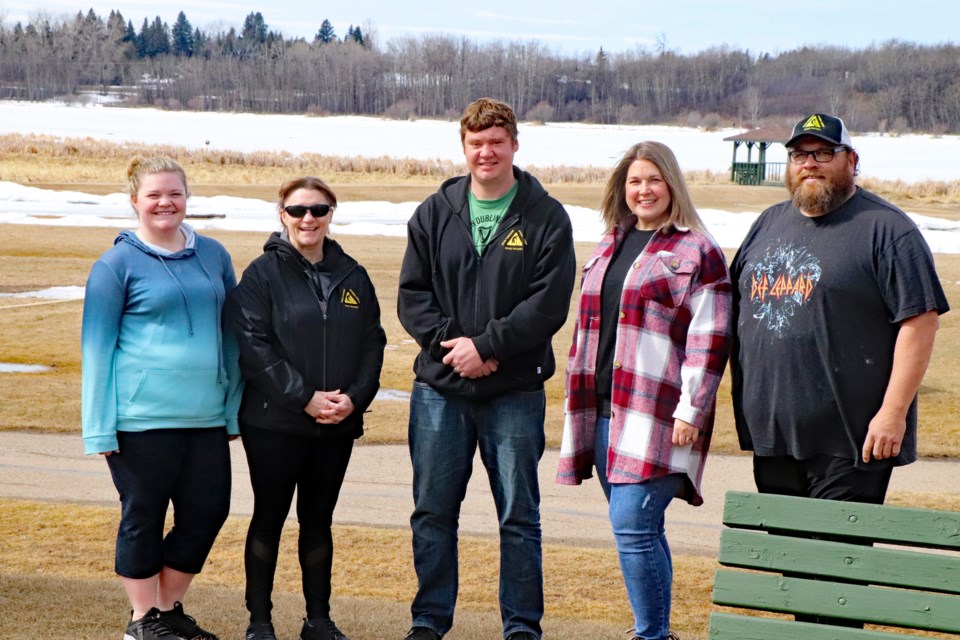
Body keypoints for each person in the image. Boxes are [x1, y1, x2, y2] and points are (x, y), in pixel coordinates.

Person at [397, 97, 576, 640]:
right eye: (476, 143)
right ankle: (429, 621)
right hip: (440, 390)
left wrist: (491, 346)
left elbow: (548, 304)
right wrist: (457, 348)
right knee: (432, 512)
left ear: (515, 145)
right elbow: (412, 295)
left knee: (518, 516)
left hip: (514, 391)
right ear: (464, 148)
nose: (486, 152)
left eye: (496, 141)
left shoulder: (546, 216)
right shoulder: (433, 212)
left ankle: (522, 626)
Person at [557, 141, 732, 640]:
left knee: (633, 526)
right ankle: (659, 632)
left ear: (672, 184)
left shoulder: (698, 250)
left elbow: (710, 338)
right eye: (634, 181)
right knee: (642, 531)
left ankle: (650, 635)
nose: (644, 189)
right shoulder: (609, 244)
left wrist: (691, 411)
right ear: (623, 189)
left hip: (658, 415)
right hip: (607, 413)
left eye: (653, 179)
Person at [730, 113, 949, 504]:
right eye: (799, 154)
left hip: (852, 439)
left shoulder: (887, 230)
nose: (809, 163)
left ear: (851, 160)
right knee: (788, 556)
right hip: (773, 434)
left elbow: (920, 322)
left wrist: (893, 412)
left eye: (824, 153)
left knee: (837, 560)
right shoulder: (768, 223)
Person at [81, 157, 241, 640]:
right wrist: (98, 427)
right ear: (135, 201)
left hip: (206, 416)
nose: (164, 203)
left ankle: (167, 610)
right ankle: (140, 621)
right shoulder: (115, 265)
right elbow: (95, 348)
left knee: (207, 513)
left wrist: (232, 406)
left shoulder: (213, 255)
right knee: (144, 517)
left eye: (174, 193)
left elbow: (232, 335)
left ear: (186, 198)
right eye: (153, 195)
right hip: (141, 419)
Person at [226, 176, 386, 640]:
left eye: (318, 209)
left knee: (318, 521)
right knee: (269, 517)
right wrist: (304, 398)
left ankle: (318, 619)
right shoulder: (262, 274)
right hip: (274, 423)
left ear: (331, 213)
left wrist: (353, 398)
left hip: (335, 426)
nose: (308, 218)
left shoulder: (353, 274)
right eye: (297, 210)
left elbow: (372, 344)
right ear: (282, 215)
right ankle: (260, 621)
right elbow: (254, 346)